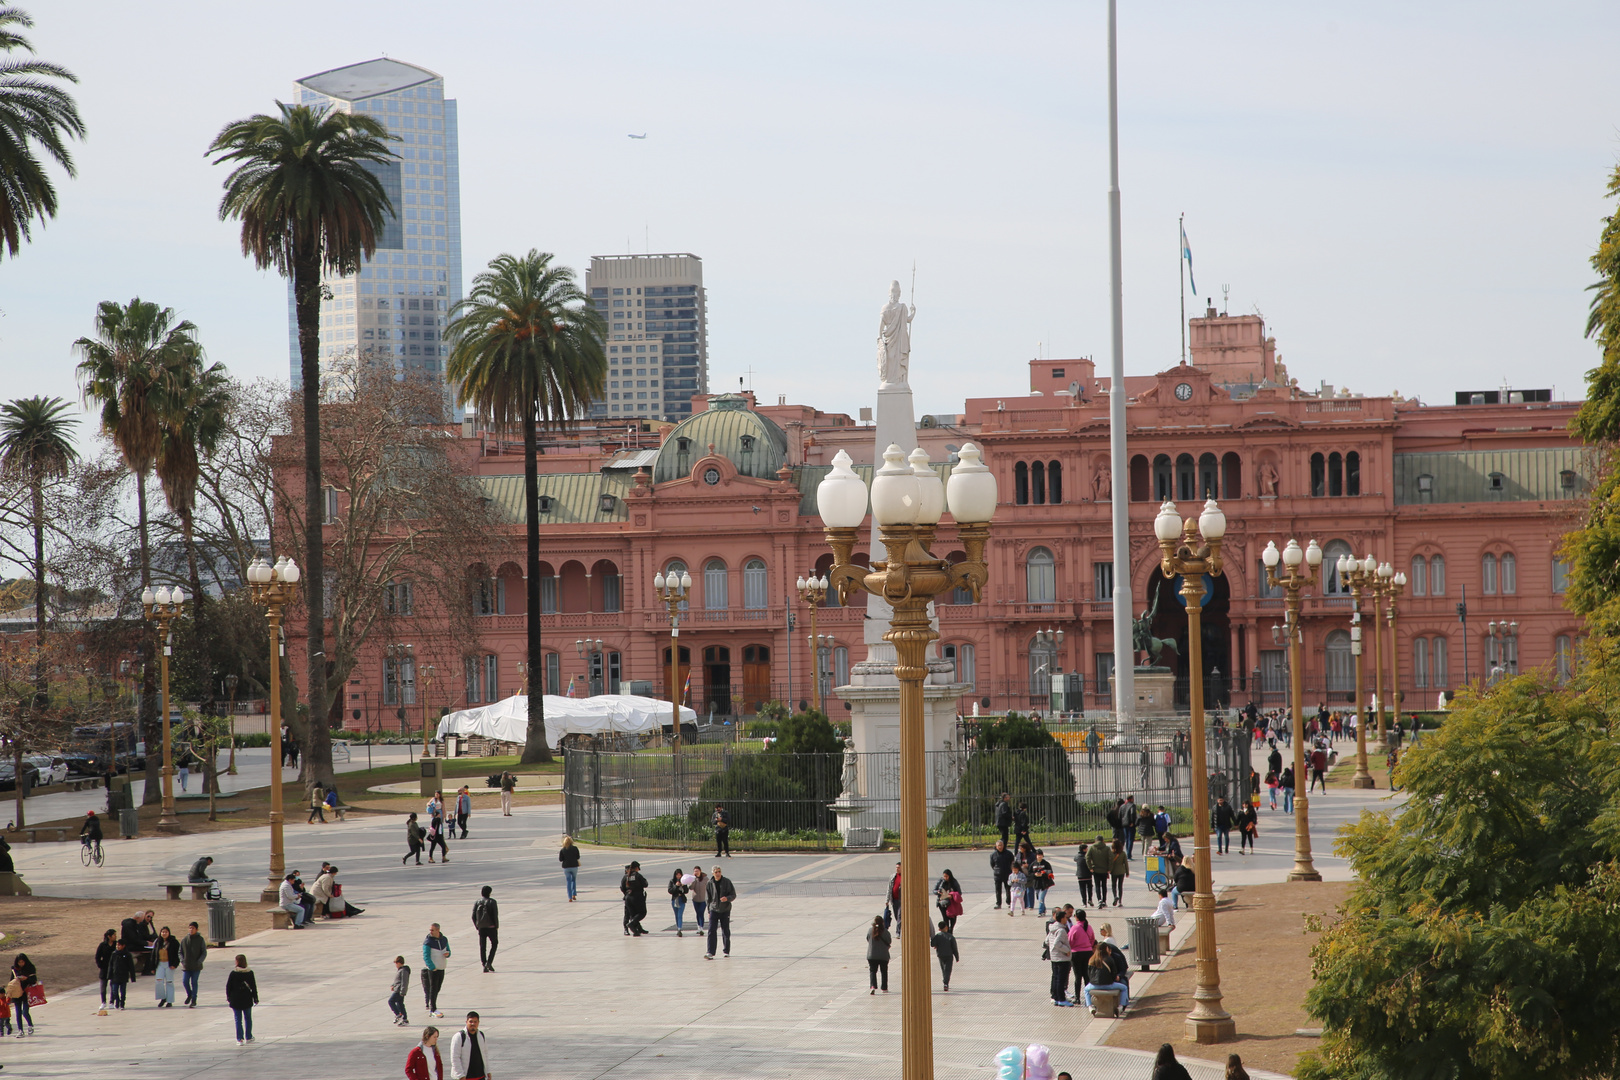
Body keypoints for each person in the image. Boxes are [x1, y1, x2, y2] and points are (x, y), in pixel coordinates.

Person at [225, 954, 258, 1044]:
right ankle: (249, 1036)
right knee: (248, 1018)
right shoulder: (250, 972)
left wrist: (228, 997)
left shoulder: (233, 973)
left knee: (238, 1019)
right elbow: (253, 986)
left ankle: (239, 1039)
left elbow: (228, 986)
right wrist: (255, 998)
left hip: (236, 999)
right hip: (247, 998)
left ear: (237, 962)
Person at [704, 864, 734, 959]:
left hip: (725, 909)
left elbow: (733, 894)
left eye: (719, 871)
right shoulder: (710, 883)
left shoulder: (727, 882)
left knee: (725, 930)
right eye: (716, 872)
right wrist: (709, 910)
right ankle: (710, 952)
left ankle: (726, 950)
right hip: (714, 909)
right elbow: (707, 898)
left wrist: (727, 898)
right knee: (711, 930)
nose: (718, 873)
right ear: (713, 873)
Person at [448, 1012, 490, 1080]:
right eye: (470, 1021)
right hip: (466, 1077)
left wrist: (488, 1071)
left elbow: (485, 1054)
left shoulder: (481, 1035)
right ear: (466, 1022)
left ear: (478, 1022)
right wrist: (460, 1075)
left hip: (481, 1076)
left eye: (475, 1022)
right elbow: (455, 1058)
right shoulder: (459, 1037)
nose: (473, 1024)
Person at [1044, 908, 1073, 1005]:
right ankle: (1061, 999)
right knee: (1061, 979)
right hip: (1061, 958)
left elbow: (1047, 941)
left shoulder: (1052, 928)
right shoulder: (1061, 930)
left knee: (1056, 977)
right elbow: (1057, 943)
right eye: (1065, 917)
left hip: (1054, 957)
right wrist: (1067, 950)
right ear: (1061, 918)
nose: (1066, 919)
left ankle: (1055, 997)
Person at [421, 923, 450, 1017]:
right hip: (433, 969)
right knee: (433, 988)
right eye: (430, 930)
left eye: (432, 930)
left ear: (438, 930)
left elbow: (448, 950)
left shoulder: (444, 939)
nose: (430, 932)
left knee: (438, 988)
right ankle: (433, 1009)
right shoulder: (428, 942)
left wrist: (448, 954)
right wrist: (432, 967)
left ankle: (432, 1005)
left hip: (441, 967)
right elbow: (426, 956)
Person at [1067, 908, 1096, 1000]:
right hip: (1088, 953)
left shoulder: (1074, 928)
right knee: (1087, 976)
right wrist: (1088, 946)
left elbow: (1070, 941)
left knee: (1078, 976)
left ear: (1076, 917)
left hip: (1076, 954)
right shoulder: (1089, 927)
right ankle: (1089, 997)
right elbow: (1092, 939)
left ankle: (1077, 997)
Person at [179, 920, 207, 1008]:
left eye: (193, 928)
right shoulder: (184, 940)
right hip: (186, 966)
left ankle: (194, 999)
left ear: (197, 929)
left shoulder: (200, 939)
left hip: (196, 966)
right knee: (185, 981)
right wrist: (182, 960)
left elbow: (204, 952)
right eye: (190, 928)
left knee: (194, 982)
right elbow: (180, 952)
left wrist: (199, 961)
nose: (191, 930)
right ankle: (189, 994)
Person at [472, 886, 499, 970]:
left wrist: (477, 926)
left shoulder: (477, 902)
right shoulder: (492, 902)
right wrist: (496, 925)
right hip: (491, 927)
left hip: (481, 927)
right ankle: (489, 962)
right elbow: (495, 915)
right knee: (494, 944)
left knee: (482, 946)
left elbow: (473, 916)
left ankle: (484, 964)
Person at [620, 861, 649, 937]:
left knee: (633, 915)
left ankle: (636, 930)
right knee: (642, 913)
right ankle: (632, 924)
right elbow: (645, 884)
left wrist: (626, 893)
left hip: (628, 898)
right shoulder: (637, 875)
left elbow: (622, 887)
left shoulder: (626, 876)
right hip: (637, 897)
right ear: (636, 868)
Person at [151, 926, 178, 1007]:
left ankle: (169, 1000)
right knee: (159, 981)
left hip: (169, 964)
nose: (164, 933)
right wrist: (152, 967)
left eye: (166, 932)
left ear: (169, 933)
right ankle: (162, 998)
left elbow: (178, 954)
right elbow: (153, 954)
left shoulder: (173, 942)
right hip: (160, 964)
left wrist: (175, 964)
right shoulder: (158, 941)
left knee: (169, 982)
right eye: (163, 932)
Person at [9, 953, 36, 1034]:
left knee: (25, 1011)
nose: (21, 964)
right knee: (18, 1012)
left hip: (26, 992)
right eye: (19, 962)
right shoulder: (14, 969)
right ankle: (20, 1030)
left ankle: (30, 1025)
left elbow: (34, 979)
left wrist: (26, 979)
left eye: (22, 962)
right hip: (17, 993)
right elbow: (11, 980)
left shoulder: (30, 968)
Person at [865, 915, 892, 994]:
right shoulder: (886, 932)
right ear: (882, 923)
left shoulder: (870, 930)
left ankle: (873, 986)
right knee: (884, 971)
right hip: (883, 955)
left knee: (873, 971)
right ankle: (884, 987)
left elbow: (867, 938)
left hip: (872, 955)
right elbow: (889, 941)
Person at [107, 939, 134, 1010]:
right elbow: (111, 965)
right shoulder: (114, 954)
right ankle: (117, 1001)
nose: (117, 946)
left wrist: (132, 977)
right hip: (115, 976)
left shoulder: (127, 955)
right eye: (117, 945)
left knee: (123, 991)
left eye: (119, 945)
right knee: (114, 990)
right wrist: (109, 975)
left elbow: (131, 966)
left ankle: (122, 1003)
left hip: (123, 976)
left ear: (123, 946)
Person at [95, 929, 117, 1011]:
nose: (115, 936)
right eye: (114, 935)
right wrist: (100, 965)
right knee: (103, 986)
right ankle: (103, 1001)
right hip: (104, 968)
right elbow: (97, 957)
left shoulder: (116, 944)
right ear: (109, 936)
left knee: (113, 986)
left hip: (114, 967)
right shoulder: (102, 945)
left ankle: (112, 1002)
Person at [1086, 835, 1111, 907]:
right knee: (1104, 885)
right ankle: (1104, 900)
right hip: (1104, 870)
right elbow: (1110, 858)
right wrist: (1109, 868)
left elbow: (1087, 858)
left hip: (1095, 869)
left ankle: (1099, 899)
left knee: (1097, 885)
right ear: (1103, 840)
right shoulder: (1106, 848)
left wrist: (1090, 867)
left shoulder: (1092, 848)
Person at [989, 840, 1013, 909]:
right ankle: (998, 903)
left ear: (1003, 845)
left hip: (1007, 874)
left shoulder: (1008, 853)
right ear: (996, 846)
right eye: (998, 845)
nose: (1000, 847)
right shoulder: (993, 855)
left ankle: (1009, 902)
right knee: (998, 890)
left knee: (1008, 889)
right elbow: (992, 864)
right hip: (998, 875)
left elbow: (1012, 862)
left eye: (1001, 845)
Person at [1028, 850, 1054, 915]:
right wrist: (1035, 875)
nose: (1039, 856)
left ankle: (1040, 912)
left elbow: (1050, 872)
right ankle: (1044, 909)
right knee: (1039, 898)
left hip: (1044, 884)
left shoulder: (1046, 864)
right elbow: (1029, 873)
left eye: (1040, 855)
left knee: (1041, 899)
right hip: (1036, 884)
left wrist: (1043, 874)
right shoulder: (1033, 864)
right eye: (1038, 855)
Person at [389, 955, 412, 1027]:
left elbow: (404, 982)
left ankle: (398, 1014)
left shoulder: (404, 971)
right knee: (400, 1004)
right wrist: (393, 985)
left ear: (399, 963)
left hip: (399, 991)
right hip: (398, 989)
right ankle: (404, 1019)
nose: (395, 965)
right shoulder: (400, 970)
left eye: (396, 963)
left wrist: (402, 992)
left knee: (391, 1001)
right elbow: (397, 980)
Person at [667, 868, 690, 937]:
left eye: (680, 875)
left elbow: (686, 891)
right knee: (676, 915)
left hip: (681, 900)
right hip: (675, 900)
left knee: (680, 914)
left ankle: (680, 929)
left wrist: (684, 886)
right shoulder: (672, 881)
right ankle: (678, 927)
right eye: (677, 875)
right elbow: (670, 891)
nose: (678, 876)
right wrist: (676, 886)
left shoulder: (683, 881)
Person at [558, 836, 581, 901]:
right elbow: (578, 857)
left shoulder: (563, 850)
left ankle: (570, 897)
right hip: (574, 866)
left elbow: (560, 859)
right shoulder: (575, 848)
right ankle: (574, 894)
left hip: (566, 867)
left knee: (568, 881)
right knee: (573, 880)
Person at [1109, 839, 1129, 907]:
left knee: (1113, 885)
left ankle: (1115, 896)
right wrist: (1127, 872)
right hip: (1121, 871)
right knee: (1120, 886)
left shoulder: (1111, 853)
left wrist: (1109, 871)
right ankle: (1120, 901)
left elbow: (1110, 863)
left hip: (1114, 871)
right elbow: (1126, 863)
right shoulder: (1123, 853)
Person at [689, 865, 709, 931]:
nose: (696, 872)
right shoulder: (693, 879)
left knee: (701, 912)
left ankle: (701, 926)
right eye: (695, 871)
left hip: (703, 899)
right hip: (695, 899)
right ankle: (699, 926)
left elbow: (709, 887)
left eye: (697, 871)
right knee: (698, 913)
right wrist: (693, 879)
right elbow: (691, 888)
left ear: (700, 871)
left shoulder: (705, 878)